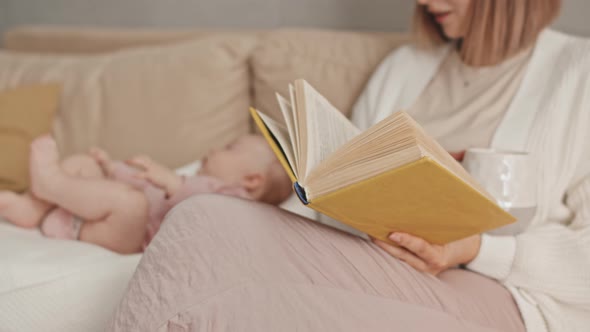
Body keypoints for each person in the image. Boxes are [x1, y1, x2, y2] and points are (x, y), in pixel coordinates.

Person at [108, 0, 590, 331]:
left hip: (503, 296)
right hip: (377, 259)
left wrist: (473, 248)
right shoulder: (404, 67)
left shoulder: (579, 73)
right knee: (201, 217)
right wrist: (306, 185)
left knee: (242, 309)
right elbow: (347, 186)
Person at [0, 134, 292, 253]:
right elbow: (138, 183)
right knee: (85, 165)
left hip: (127, 237)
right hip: (97, 216)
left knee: (132, 203)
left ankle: (49, 184)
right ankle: (34, 208)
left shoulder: (237, 203)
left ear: (252, 180)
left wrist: (172, 183)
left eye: (229, 148)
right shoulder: (185, 180)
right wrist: (109, 168)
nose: (215, 149)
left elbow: (210, 208)